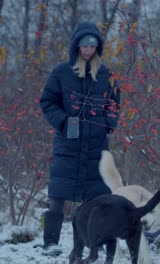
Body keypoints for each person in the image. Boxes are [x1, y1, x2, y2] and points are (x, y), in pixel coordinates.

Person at [38, 21, 121, 255]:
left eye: (93, 45)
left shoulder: (106, 75)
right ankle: (50, 243)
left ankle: (98, 243)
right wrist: (64, 122)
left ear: (98, 47)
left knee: (99, 199)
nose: (88, 50)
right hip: (68, 145)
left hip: (96, 147)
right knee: (57, 196)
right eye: (84, 45)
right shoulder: (61, 73)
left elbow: (114, 102)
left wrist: (108, 123)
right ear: (76, 46)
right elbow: (47, 102)